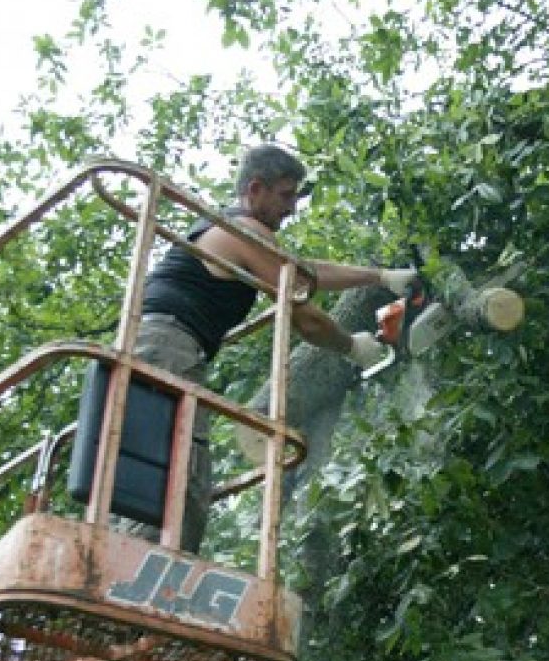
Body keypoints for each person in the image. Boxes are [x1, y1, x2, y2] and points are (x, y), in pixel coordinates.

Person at [124, 143, 416, 552]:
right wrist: (352, 347)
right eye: (285, 195)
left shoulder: (227, 231)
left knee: (152, 469)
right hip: (170, 348)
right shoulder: (242, 231)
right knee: (181, 476)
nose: (292, 208)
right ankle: (155, 573)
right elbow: (307, 318)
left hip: (155, 345)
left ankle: (140, 560)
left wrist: (380, 277)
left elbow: (303, 272)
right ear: (255, 189)